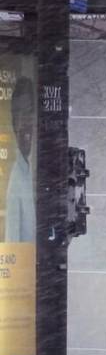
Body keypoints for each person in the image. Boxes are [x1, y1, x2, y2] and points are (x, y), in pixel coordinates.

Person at [4, 77, 36, 243]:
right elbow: (13, 250)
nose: (26, 121)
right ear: (14, 122)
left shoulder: (30, 172)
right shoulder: (16, 182)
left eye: (29, 112)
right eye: (21, 114)